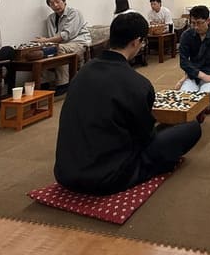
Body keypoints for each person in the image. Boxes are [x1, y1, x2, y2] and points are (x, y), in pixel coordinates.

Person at [54, 12, 201, 195]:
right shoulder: (137, 83)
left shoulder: (82, 73)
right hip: (109, 177)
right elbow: (145, 138)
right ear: (136, 41)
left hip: (65, 172)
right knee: (191, 127)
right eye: (143, 42)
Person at [34, 0, 91, 95]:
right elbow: (53, 37)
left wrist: (46, 40)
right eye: (51, 4)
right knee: (41, 51)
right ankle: (43, 83)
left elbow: (67, 35)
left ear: (64, 1)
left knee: (58, 49)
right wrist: (45, 43)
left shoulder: (74, 13)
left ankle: (63, 84)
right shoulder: (51, 18)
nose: (55, 5)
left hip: (78, 42)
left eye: (57, 1)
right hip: (62, 44)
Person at [175, 5, 210, 109]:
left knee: (207, 102)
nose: (196, 27)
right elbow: (183, 62)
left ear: (208, 21)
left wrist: (185, 77)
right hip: (194, 75)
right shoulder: (186, 35)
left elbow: (208, 62)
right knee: (184, 100)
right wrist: (192, 76)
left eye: (199, 23)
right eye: (193, 23)